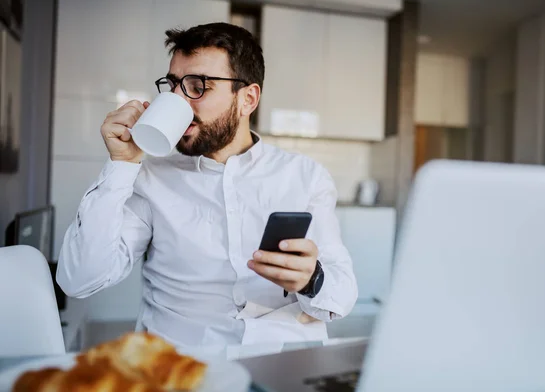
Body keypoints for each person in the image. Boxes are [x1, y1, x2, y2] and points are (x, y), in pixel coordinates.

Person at [57, 22, 357, 348]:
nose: (179, 101)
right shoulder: (148, 177)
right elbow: (78, 280)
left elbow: (341, 296)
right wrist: (120, 165)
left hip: (282, 361)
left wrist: (311, 279)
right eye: (173, 86)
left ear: (247, 99)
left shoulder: (305, 176)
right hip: (183, 369)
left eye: (198, 86)